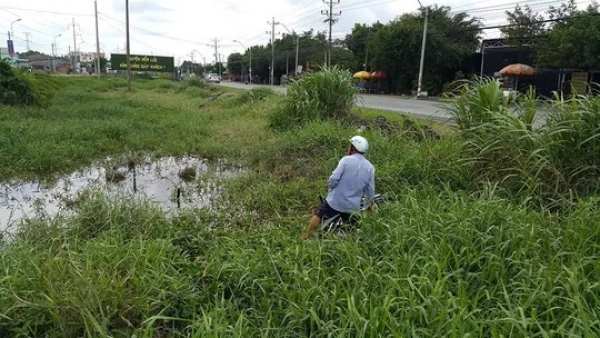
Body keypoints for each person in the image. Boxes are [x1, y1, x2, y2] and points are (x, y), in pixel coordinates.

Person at [301, 135, 376, 240]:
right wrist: (368, 207)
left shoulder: (346, 160)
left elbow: (334, 178)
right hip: (352, 208)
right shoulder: (370, 168)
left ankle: (306, 236)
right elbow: (370, 191)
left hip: (335, 203)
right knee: (352, 228)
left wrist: (329, 186)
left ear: (352, 147)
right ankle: (348, 245)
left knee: (319, 215)